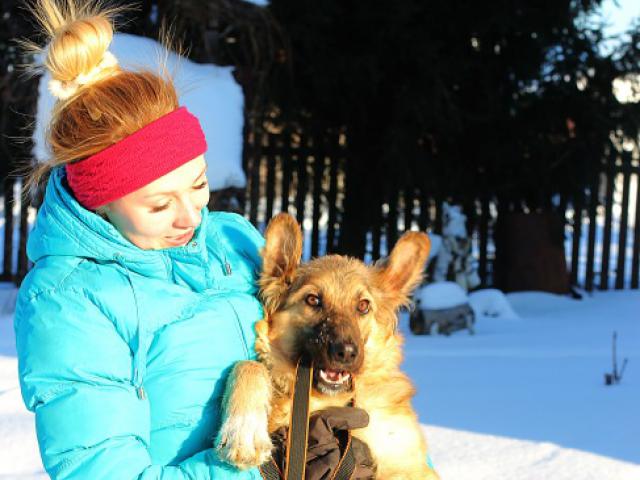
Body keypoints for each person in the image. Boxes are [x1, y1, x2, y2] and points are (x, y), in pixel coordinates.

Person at [14, 1, 374, 479]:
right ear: (101, 202)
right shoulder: (71, 301)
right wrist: (262, 472)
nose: (192, 216)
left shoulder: (234, 243)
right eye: (160, 205)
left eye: (199, 183)